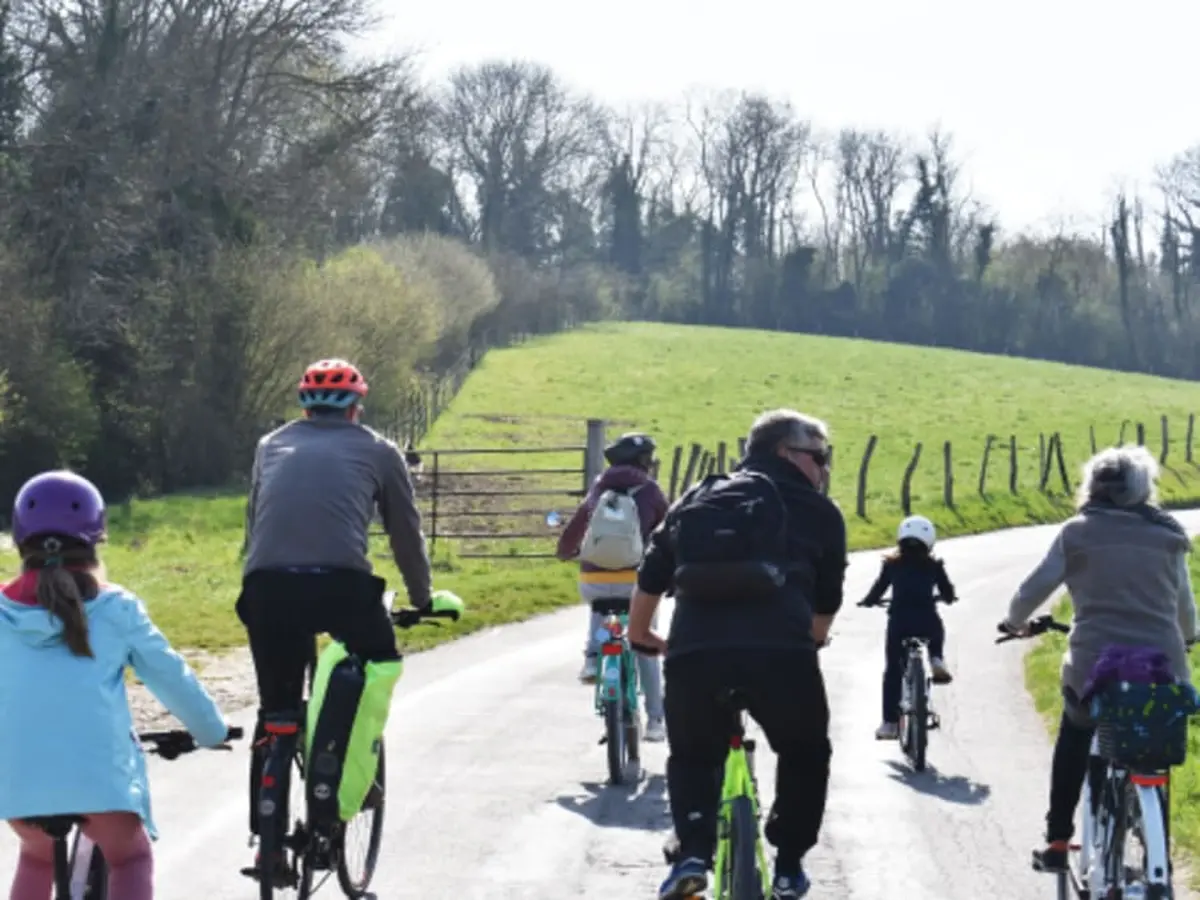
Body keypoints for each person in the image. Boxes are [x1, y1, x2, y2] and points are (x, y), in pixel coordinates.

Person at [628, 409, 847, 900]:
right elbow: (826, 602)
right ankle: (789, 865)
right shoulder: (818, 511)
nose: (823, 467)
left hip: (696, 653)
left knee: (691, 756)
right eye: (820, 456)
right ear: (786, 453)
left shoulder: (699, 497)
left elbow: (653, 572)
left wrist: (642, 634)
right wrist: (809, 641)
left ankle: (692, 855)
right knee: (805, 751)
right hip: (780, 657)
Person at [239, 358, 433, 881]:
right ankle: (346, 783)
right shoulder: (378, 449)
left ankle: (267, 844)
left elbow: (255, 522)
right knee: (378, 662)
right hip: (342, 588)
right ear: (357, 406)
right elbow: (405, 532)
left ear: (304, 404)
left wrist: (256, 582)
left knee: (275, 709)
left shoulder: (269, 446)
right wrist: (422, 596)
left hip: (267, 588)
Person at [0, 470, 229, 900]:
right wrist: (210, 731)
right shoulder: (116, 609)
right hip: (100, 782)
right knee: (131, 858)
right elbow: (171, 677)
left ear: (18, 542)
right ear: (94, 542)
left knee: (35, 856)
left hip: (16, 783)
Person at [999, 445, 1198, 873]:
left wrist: (1013, 621)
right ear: (1144, 489)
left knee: (1075, 733)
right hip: (1162, 664)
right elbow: (1185, 605)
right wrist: (1189, 638)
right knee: (1154, 741)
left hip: (1095, 666)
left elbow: (1034, 588)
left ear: (1091, 487)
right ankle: (1152, 831)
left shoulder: (1078, 532)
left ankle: (1057, 841)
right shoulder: (1169, 535)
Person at [557, 432, 670, 741]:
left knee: (600, 607)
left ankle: (593, 657)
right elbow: (670, 529)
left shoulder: (598, 488)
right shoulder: (650, 491)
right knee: (644, 642)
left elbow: (576, 528)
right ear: (645, 461)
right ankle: (657, 719)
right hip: (636, 580)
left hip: (593, 579)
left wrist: (566, 551)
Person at [859, 514, 958, 740]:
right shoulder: (934, 566)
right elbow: (948, 592)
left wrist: (868, 601)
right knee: (937, 631)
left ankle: (890, 724)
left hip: (899, 623)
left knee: (893, 670)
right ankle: (936, 658)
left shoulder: (891, 565)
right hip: (926, 620)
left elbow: (878, 589)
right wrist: (949, 598)